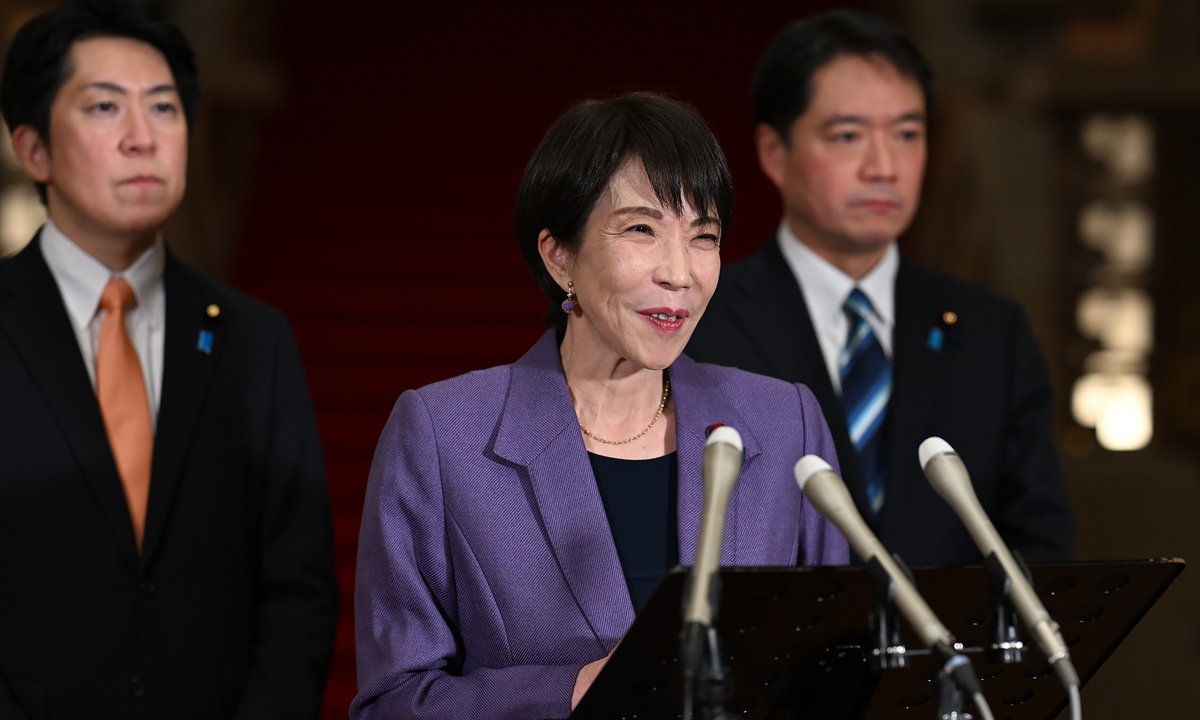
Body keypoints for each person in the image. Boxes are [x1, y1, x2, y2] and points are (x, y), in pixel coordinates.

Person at [352, 93, 849, 719]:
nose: (680, 272)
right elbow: (393, 702)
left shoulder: (784, 424)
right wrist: (571, 691)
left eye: (704, 236)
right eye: (641, 229)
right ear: (560, 255)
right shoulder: (443, 436)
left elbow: (840, 665)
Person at [0, 3, 338, 718]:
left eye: (165, 108)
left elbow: (298, 586)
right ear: (33, 148)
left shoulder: (254, 337)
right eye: (104, 107)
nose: (143, 138)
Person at [687, 10, 1072, 566]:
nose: (884, 166)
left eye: (907, 134)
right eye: (848, 136)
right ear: (775, 152)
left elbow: (1038, 542)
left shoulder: (994, 331)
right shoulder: (700, 320)